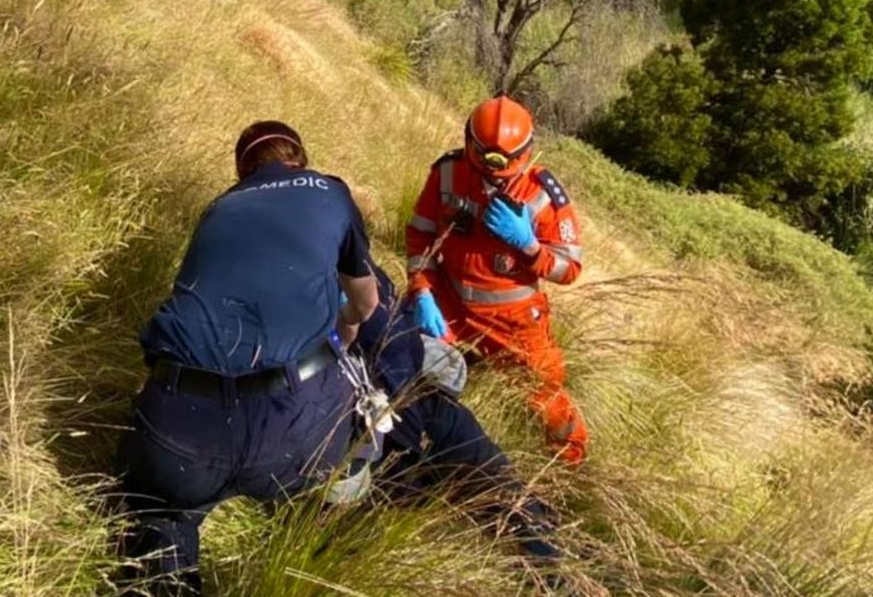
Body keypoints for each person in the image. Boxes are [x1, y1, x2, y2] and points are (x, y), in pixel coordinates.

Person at [116, 120, 379, 596]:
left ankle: (164, 558)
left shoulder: (218, 208)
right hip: (293, 426)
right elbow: (365, 304)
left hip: (179, 429)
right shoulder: (331, 192)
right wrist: (343, 332)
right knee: (350, 453)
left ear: (242, 170)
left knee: (159, 520)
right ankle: (328, 534)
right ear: (300, 157)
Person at [404, 95, 588, 465]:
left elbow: (569, 270)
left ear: (526, 153)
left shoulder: (543, 196)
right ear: (471, 145)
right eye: (486, 170)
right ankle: (417, 447)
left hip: (514, 318)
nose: (493, 180)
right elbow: (420, 235)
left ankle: (570, 464)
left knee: (544, 394)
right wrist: (422, 290)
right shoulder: (449, 173)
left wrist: (529, 245)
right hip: (449, 302)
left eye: (502, 174)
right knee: (409, 363)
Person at [353, 267, 562, 561]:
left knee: (502, 488)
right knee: (386, 506)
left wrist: (421, 295)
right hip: (368, 425)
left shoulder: (350, 252)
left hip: (423, 395)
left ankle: (556, 562)